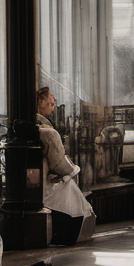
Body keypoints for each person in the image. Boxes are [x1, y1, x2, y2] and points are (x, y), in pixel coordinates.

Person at [36, 86, 95, 244]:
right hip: (45, 189)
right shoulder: (49, 133)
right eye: (50, 104)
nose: (52, 108)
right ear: (40, 102)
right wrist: (73, 170)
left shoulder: (30, 128)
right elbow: (60, 165)